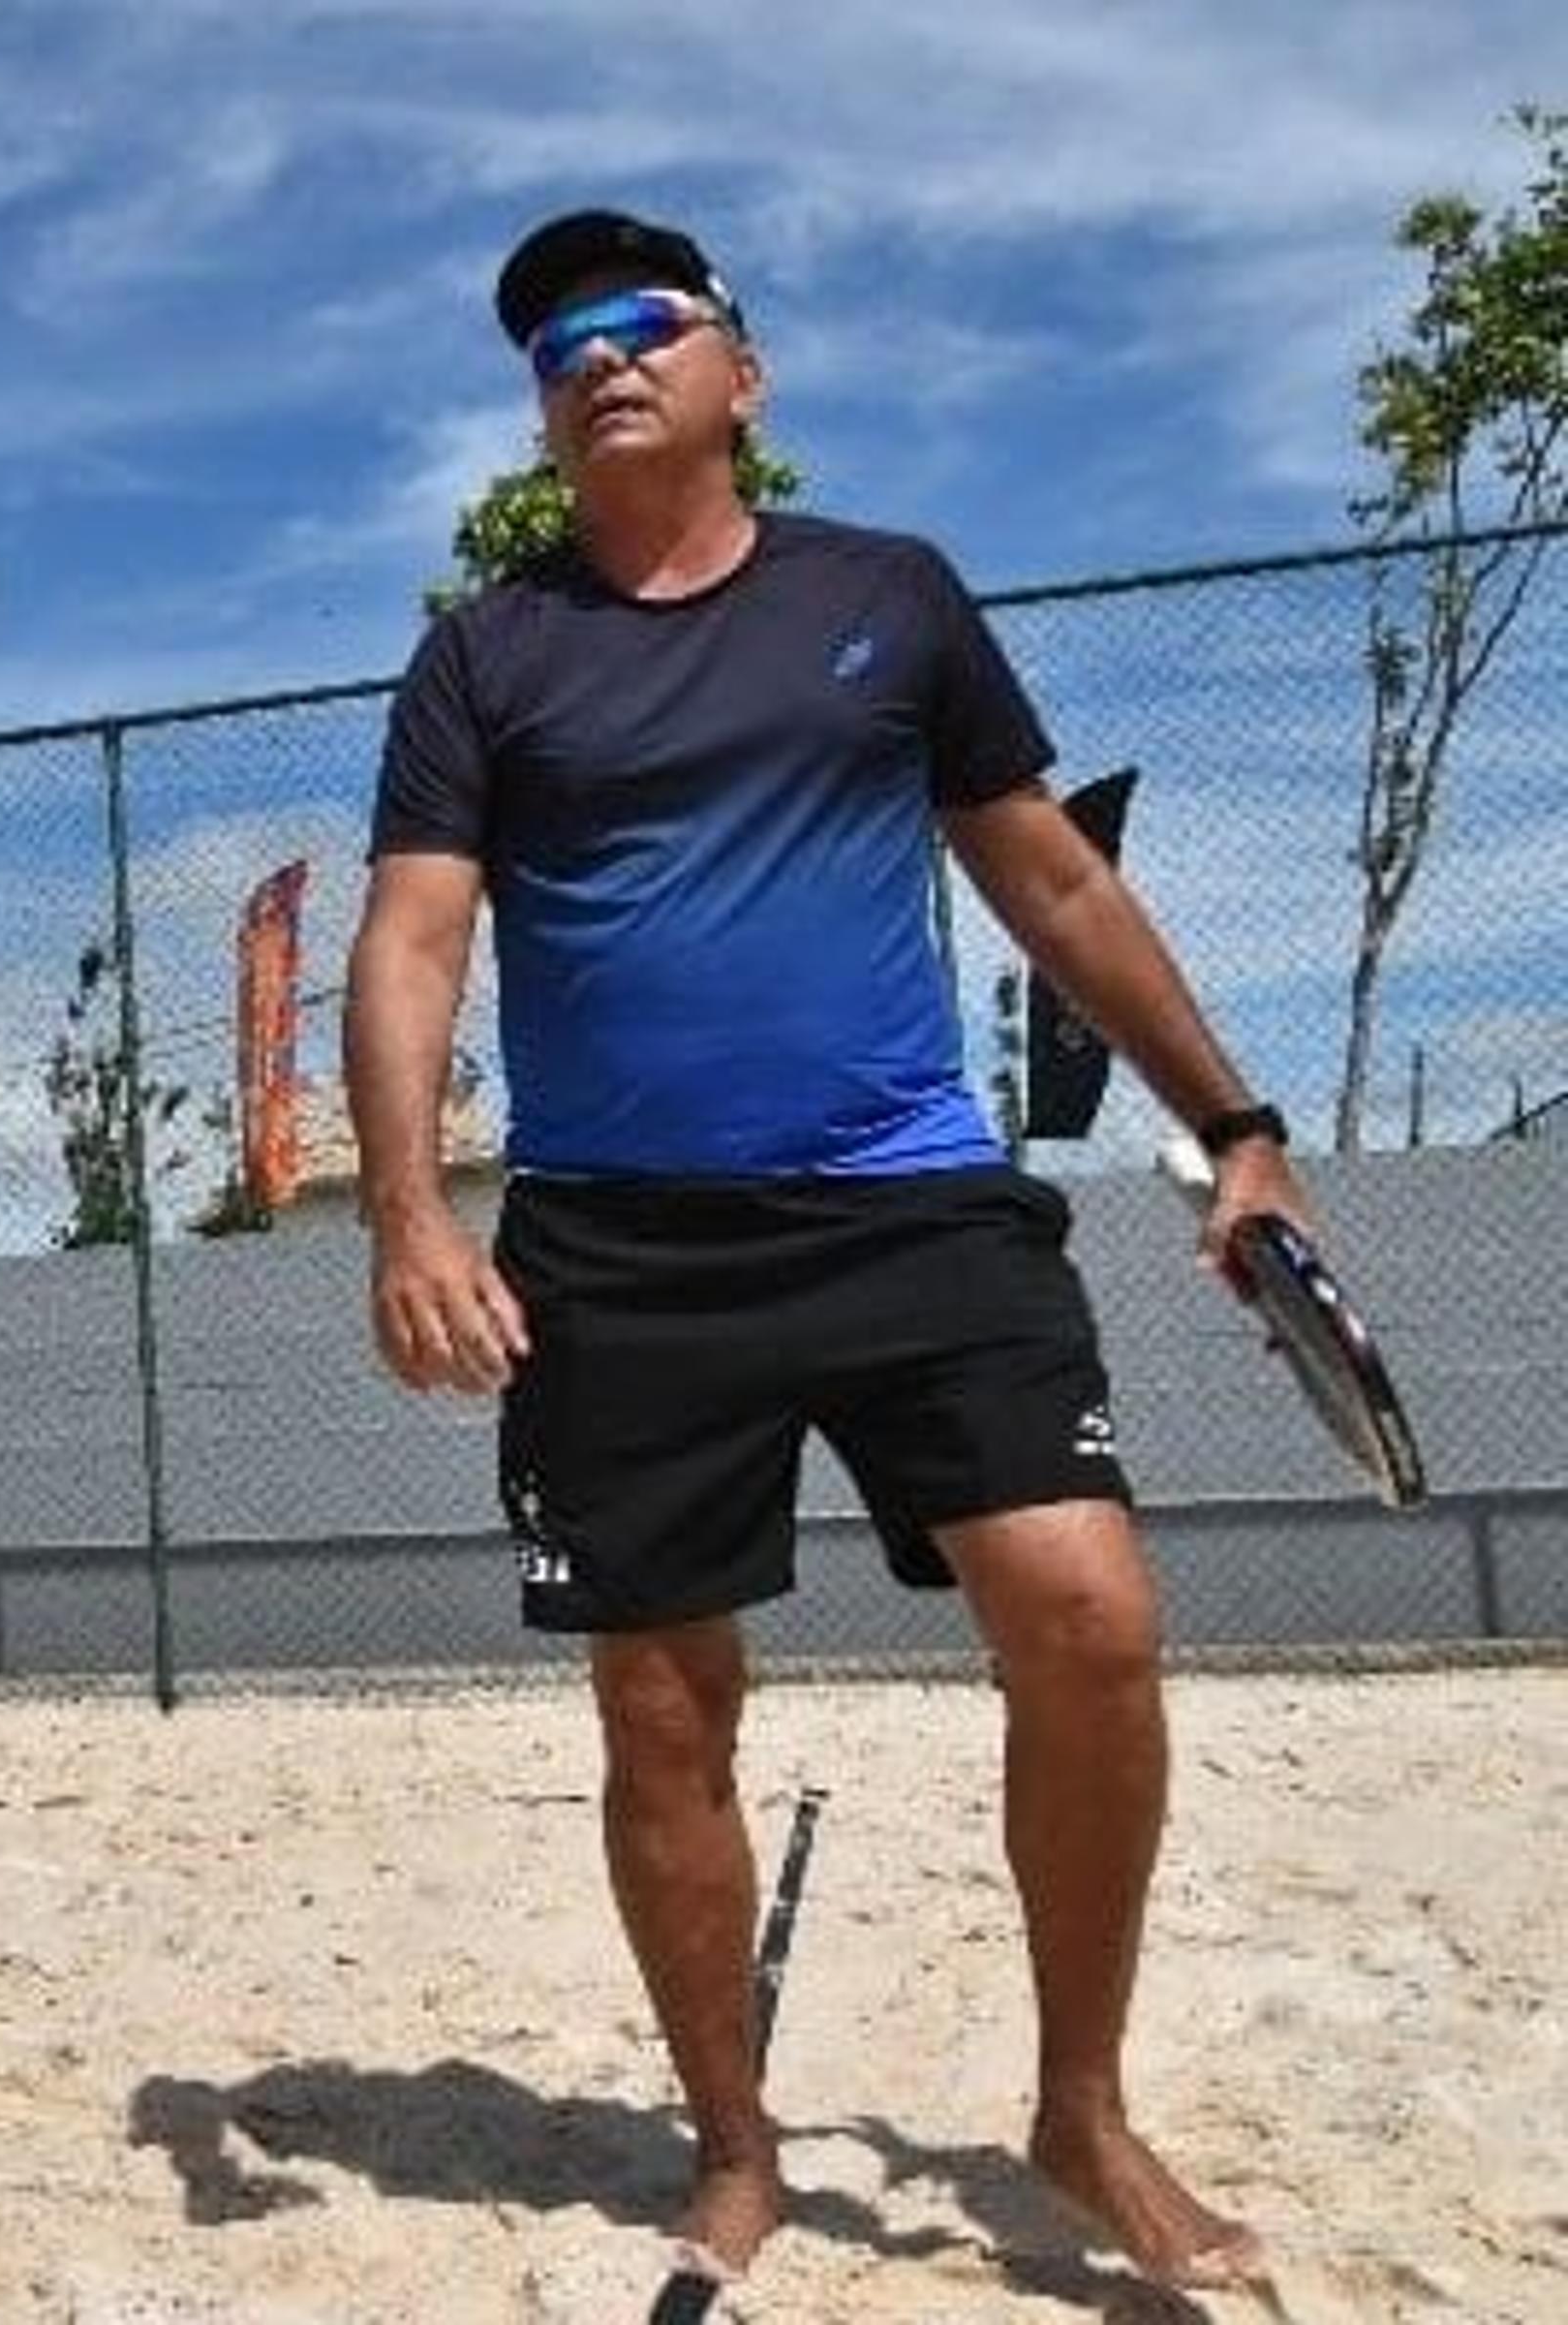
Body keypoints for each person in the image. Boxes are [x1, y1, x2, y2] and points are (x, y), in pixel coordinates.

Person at [340, 206, 1297, 2296]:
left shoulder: (891, 598)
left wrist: (1236, 1126)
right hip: (621, 1253)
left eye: (645, 324)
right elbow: (414, 934)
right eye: (558, 345)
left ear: (740, 375)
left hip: (911, 1204)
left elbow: (1052, 884)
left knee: (1092, 1619)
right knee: (666, 1714)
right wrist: (412, 1212)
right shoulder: (490, 653)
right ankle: (736, 2137)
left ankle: (1084, 2107)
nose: (601, 358)